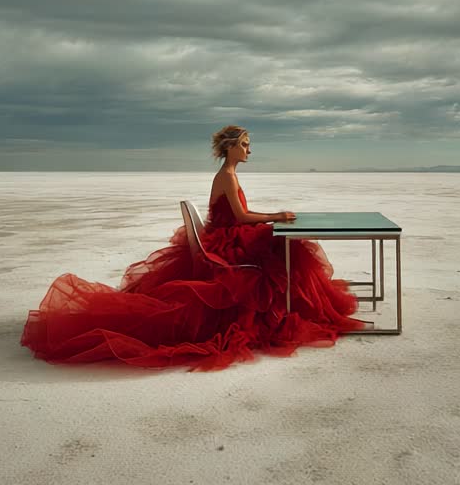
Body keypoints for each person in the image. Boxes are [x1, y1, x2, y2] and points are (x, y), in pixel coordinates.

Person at [20, 125, 368, 371]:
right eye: (245, 144)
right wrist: (276, 216)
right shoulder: (227, 176)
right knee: (288, 250)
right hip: (229, 241)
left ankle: (292, 311)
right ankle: (293, 314)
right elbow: (241, 216)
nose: (249, 150)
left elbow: (239, 216)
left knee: (286, 248)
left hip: (231, 235)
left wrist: (271, 220)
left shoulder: (228, 175)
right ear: (230, 147)